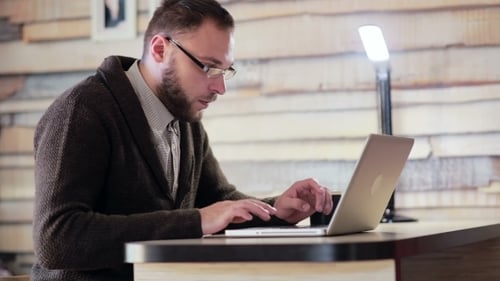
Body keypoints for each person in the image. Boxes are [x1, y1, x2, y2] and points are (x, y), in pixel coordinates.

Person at [31, 0, 333, 280]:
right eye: (207, 67)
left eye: (225, 71)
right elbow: (56, 239)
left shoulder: (184, 118)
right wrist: (195, 222)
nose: (220, 87)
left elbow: (220, 204)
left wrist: (278, 211)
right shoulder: (82, 110)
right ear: (161, 49)